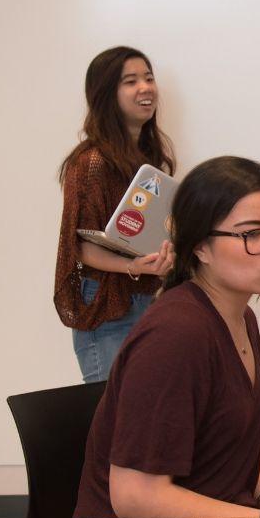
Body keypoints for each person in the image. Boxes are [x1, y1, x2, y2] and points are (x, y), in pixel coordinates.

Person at [73, 156, 260, 518]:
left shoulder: (243, 317)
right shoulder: (176, 335)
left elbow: (242, 437)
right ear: (199, 247)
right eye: (252, 234)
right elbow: (135, 497)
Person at [54, 46, 177, 383]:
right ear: (107, 93)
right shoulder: (91, 162)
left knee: (142, 405)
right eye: (130, 81)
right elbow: (80, 247)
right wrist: (134, 266)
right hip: (107, 305)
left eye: (148, 78)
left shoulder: (147, 161)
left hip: (145, 299)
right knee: (113, 407)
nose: (145, 88)